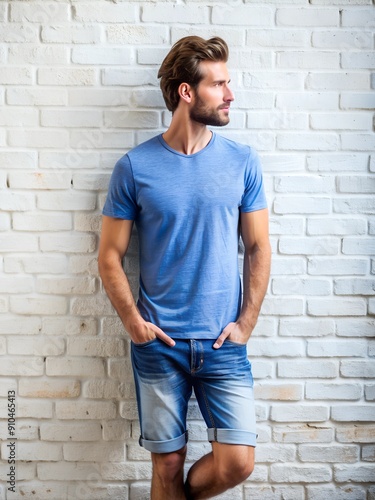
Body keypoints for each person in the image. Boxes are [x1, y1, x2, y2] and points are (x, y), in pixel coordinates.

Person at [98, 35, 271, 500]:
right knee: (167, 465)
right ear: (186, 92)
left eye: (228, 83)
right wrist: (136, 324)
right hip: (160, 343)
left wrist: (247, 322)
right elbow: (110, 255)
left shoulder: (242, 162)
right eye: (219, 84)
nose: (230, 94)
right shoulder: (135, 167)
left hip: (222, 343)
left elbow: (257, 247)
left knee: (237, 463)